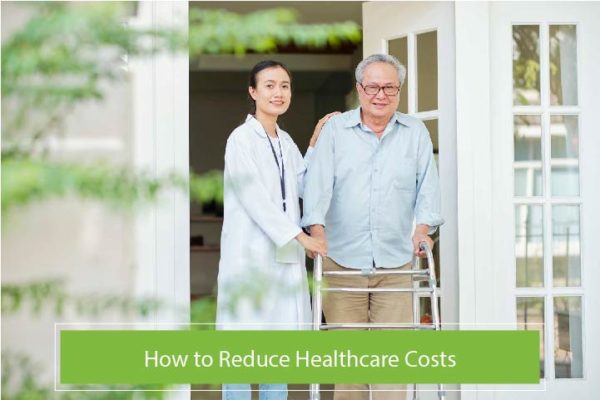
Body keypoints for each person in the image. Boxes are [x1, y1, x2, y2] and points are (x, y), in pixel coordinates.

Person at [302, 54, 444, 400]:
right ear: (359, 88)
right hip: (341, 260)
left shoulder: (415, 133)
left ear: (399, 90)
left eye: (390, 87)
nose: (381, 95)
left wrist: (422, 229)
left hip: (396, 262)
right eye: (373, 86)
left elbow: (428, 187)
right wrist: (316, 233)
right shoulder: (336, 130)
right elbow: (317, 186)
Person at [215, 60, 334, 400]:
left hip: (283, 261)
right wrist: (303, 237)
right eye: (269, 85)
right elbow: (257, 200)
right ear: (253, 92)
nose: (278, 93)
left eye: (284, 86)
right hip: (249, 259)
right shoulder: (240, 140)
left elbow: (302, 184)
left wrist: (314, 143)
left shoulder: (285, 141)